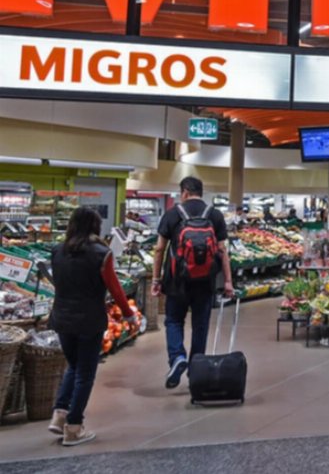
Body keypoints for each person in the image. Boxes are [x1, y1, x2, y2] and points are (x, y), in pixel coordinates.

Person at [48, 207, 136, 446]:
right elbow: (115, 288)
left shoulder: (57, 251)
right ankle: (74, 427)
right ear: (95, 226)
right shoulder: (101, 254)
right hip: (89, 319)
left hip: (62, 318)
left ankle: (60, 414)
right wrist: (128, 314)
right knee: (85, 373)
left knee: (74, 366)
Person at [151, 177, 234, 389]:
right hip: (205, 281)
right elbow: (222, 251)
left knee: (173, 321)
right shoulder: (214, 215)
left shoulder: (172, 214)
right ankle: (196, 371)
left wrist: (156, 279)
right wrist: (228, 281)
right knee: (200, 325)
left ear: (185, 192)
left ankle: (177, 357)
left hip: (176, 281)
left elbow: (159, 249)